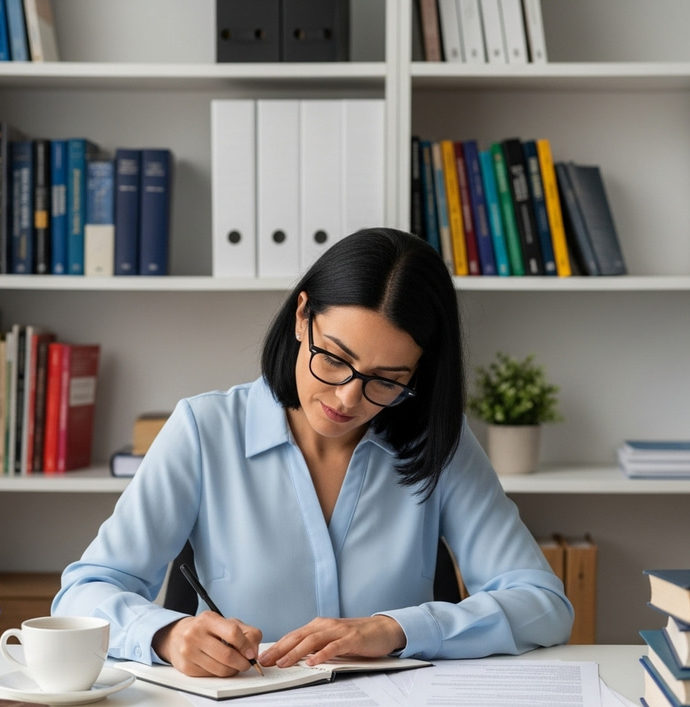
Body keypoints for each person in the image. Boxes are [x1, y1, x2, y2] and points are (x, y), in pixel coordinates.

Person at [53, 227, 573, 678]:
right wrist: (166, 635)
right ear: (303, 316)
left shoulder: (440, 443)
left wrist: (397, 629)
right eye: (334, 358)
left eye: (387, 381)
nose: (348, 398)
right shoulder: (204, 430)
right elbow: (83, 593)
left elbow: (543, 605)